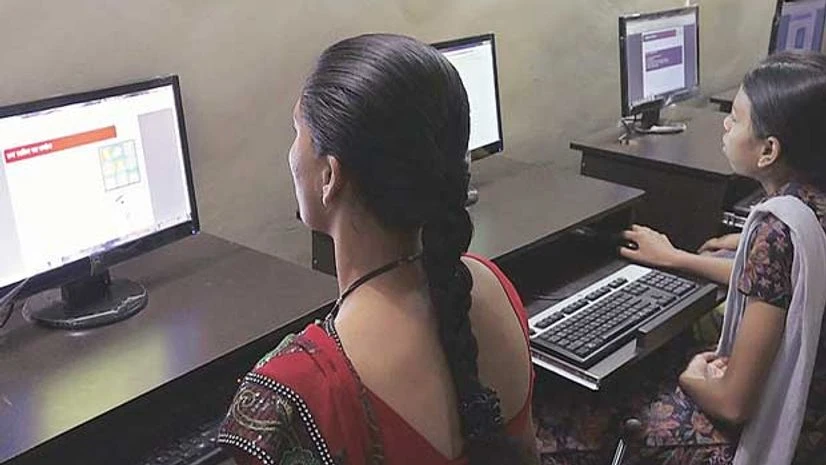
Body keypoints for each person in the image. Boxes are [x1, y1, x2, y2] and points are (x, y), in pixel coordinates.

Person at [217, 33, 538, 465]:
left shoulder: (298, 390)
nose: (292, 152)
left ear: (329, 177)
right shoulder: (489, 283)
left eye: (297, 132)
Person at [536, 52, 826, 465]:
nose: (725, 123)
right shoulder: (810, 205)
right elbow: (775, 285)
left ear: (769, 150)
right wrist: (677, 258)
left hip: (782, 431)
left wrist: (690, 376)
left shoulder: (776, 231)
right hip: (814, 415)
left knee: (556, 420)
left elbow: (732, 404)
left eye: (738, 119)